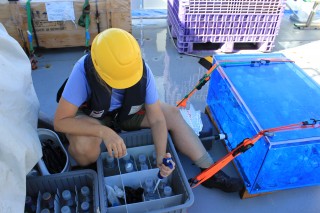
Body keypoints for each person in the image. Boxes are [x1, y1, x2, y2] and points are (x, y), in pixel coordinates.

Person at [54, 28, 243, 192]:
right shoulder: (82, 71)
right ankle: (96, 174)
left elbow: (158, 119)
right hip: (92, 116)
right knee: (84, 145)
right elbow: (60, 121)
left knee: (172, 114)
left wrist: (161, 156)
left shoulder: (140, 69)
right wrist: (104, 132)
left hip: (125, 113)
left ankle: (209, 171)